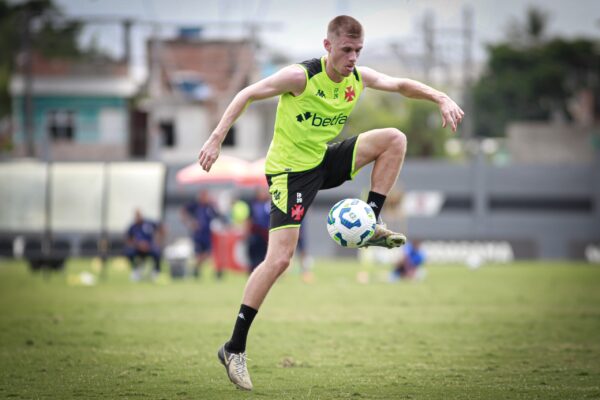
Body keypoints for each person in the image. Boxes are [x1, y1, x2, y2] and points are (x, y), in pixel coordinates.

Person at [198, 15, 464, 390]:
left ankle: (369, 219)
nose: (353, 58)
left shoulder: (357, 78)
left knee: (394, 139)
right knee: (279, 260)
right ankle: (234, 347)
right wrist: (215, 138)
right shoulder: (300, 77)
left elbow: (401, 84)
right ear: (327, 47)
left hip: (322, 159)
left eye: (358, 51)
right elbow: (246, 94)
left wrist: (440, 96)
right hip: (290, 174)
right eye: (346, 50)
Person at [180, 190, 219, 279]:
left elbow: (217, 216)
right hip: (198, 234)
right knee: (199, 253)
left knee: (208, 253)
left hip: (207, 234)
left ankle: (196, 269)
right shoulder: (195, 205)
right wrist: (189, 223)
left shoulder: (210, 207)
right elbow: (183, 211)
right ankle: (196, 270)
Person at [124, 209, 164, 281]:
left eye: (139, 215)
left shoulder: (149, 223)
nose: (138, 217)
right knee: (129, 252)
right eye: (136, 216)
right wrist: (138, 245)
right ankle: (136, 270)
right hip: (138, 248)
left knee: (157, 252)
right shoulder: (133, 226)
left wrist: (158, 241)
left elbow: (162, 228)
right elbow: (128, 239)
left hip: (149, 246)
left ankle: (156, 272)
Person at [246, 186, 271, 274]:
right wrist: (247, 232)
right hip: (255, 233)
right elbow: (249, 219)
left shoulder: (269, 204)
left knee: (264, 254)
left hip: (265, 233)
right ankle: (252, 271)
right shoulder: (253, 204)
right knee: (253, 254)